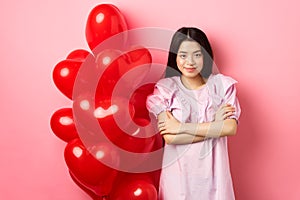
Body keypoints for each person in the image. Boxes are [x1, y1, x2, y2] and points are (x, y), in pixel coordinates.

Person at [146, 27, 241, 200]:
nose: (190, 61)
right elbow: (171, 138)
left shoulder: (221, 85)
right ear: (175, 56)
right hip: (179, 178)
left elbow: (230, 127)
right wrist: (214, 127)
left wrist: (180, 127)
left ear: (206, 55)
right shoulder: (166, 89)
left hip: (215, 176)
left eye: (197, 54)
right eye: (183, 55)